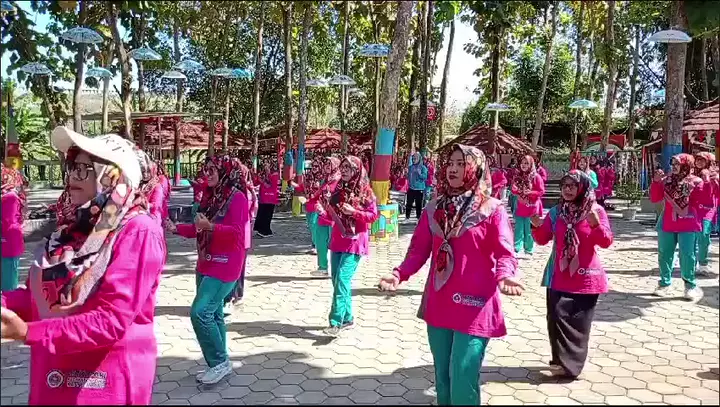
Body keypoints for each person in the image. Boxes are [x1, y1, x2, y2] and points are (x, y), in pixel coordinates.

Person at [1, 127, 167, 404]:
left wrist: (27, 332)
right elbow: (37, 297)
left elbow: (111, 320)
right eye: (71, 168)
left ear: (111, 175)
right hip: (52, 375)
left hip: (103, 384)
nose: (71, 177)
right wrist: (5, 302)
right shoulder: (69, 232)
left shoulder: (138, 230)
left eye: (83, 169)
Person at [378, 144, 523, 406]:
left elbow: (505, 251)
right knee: (442, 378)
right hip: (440, 300)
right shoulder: (434, 208)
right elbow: (418, 251)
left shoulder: (492, 209)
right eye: (450, 163)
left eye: (461, 163)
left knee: (463, 375)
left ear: (475, 168)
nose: (453, 169)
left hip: (475, 303)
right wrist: (398, 274)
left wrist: (505, 275)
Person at [167, 155, 251, 384]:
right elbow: (199, 228)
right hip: (205, 261)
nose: (208, 174)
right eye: (206, 169)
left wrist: (211, 226)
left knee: (200, 312)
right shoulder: (211, 196)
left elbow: (237, 233)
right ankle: (221, 361)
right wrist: (176, 229)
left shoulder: (237, 198)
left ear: (225, 172)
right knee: (214, 314)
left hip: (226, 263)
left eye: (213, 169)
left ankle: (219, 362)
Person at [531, 169, 613, 379]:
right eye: (564, 186)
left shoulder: (596, 210)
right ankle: (560, 362)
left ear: (583, 187)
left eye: (573, 186)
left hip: (586, 277)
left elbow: (606, 241)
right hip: (558, 276)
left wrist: (595, 225)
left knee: (579, 324)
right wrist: (535, 226)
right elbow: (542, 239)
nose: (567, 190)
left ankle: (572, 367)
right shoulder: (557, 212)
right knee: (556, 318)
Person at [319, 155, 378, 336]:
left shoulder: (366, 191)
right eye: (342, 167)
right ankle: (348, 317)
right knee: (336, 280)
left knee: (342, 279)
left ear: (357, 170)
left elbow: (373, 216)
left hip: (355, 241)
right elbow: (332, 216)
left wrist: (355, 212)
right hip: (338, 240)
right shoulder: (338, 189)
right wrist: (323, 212)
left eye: (348, 168)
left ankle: (335, 322)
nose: (343, 170)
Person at [649, 153, 704, 301]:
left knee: (687, 254)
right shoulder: (666, 180)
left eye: (678, 164)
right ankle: (664, 284)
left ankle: (689, 285)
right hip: (667, 222)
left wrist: (690, 190)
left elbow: (700, 201)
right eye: (672, 164)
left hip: (688, 222)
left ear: (686, 165)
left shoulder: (696, 182)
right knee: (664, 253)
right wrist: (656, 183)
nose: (674, 167)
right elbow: (655, 198)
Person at [225, 163, 258, 306]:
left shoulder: (233, 192)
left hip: (234, 233)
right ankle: (238, 294)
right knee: (240, 266)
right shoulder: (249, 190)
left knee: (231, 266)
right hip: (245, 233)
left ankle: (229, 295)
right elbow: (254, 210)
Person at [307, 156, 341, 277]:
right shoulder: (325, 179)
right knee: (320, 241)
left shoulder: (340, 180)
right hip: (322, 215)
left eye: (329, 164)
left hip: (334, 216)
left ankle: (336, 268)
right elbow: (318, 195)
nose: (326, 166)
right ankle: (322, 267)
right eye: (325, 163)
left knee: (335, 243)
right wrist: (315, 202)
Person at [511, 155, 545, 257]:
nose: (524, 165)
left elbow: (541, 191)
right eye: (522, 163)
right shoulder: (518, 177)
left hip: (532, 207)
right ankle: (516, 248)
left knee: (529, 229)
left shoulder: (536, 177)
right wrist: (515, 190)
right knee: (518, 228)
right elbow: (513, 190)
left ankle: (528, 249)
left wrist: (530, 192)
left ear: (531, 164)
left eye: (526, 163)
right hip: (521, 206)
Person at [1, 163, 26, 291]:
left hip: (8, 243)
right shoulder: (7, 196)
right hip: (7, 242)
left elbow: (8, 221)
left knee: (8, 282)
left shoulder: (9, 197)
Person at [694, 151, 719, 276]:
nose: (699, 162)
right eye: (697, 159)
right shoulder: (691, 173)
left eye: (702, 160)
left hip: (707, 210)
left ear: (708, 161)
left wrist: (709, 181)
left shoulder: (715, 175)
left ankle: (703, 264)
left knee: (704, 236)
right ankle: (691, 263)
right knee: (692, 237)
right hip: (693, 209)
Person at [254, 158, 280, 237]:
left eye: (267, 164)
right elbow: (256, 182)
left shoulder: (275, 174)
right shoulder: (263, 173)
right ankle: (260, 230)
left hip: (270, 198)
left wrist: (265, 176)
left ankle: (266, 231)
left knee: (266, 215)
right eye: (264, 164)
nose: (265, 165)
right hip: (263, 198)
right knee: (261, 214)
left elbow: (270, 185)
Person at [406, 152, 428, 220]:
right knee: (409, 203)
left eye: (415, 158)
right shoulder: (410, 167)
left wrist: (419, 174)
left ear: (419, 159)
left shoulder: (423, 168)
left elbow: (425, 177)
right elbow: (408, 177)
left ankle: (418, 217)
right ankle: (407, 217)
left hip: (419, 189)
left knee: (418, 204)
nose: (414, 160)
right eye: (413, 158)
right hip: (411, 188)